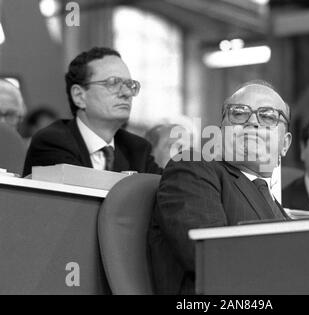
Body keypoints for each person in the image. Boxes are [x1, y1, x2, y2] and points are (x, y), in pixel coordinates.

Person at [148, 80, 292, 294]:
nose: (252, 122)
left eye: (268, 116)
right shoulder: (193, 167)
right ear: (222, 130)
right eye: (239, 113)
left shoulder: (272, 201)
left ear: (285, 144)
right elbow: (212, 257)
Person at [23, 47, 161, 176]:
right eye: (113, 83)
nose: (126, 93)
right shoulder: (53, 142)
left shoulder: (137, 149)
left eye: (130, 85)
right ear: (79, 96)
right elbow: (77, 198)